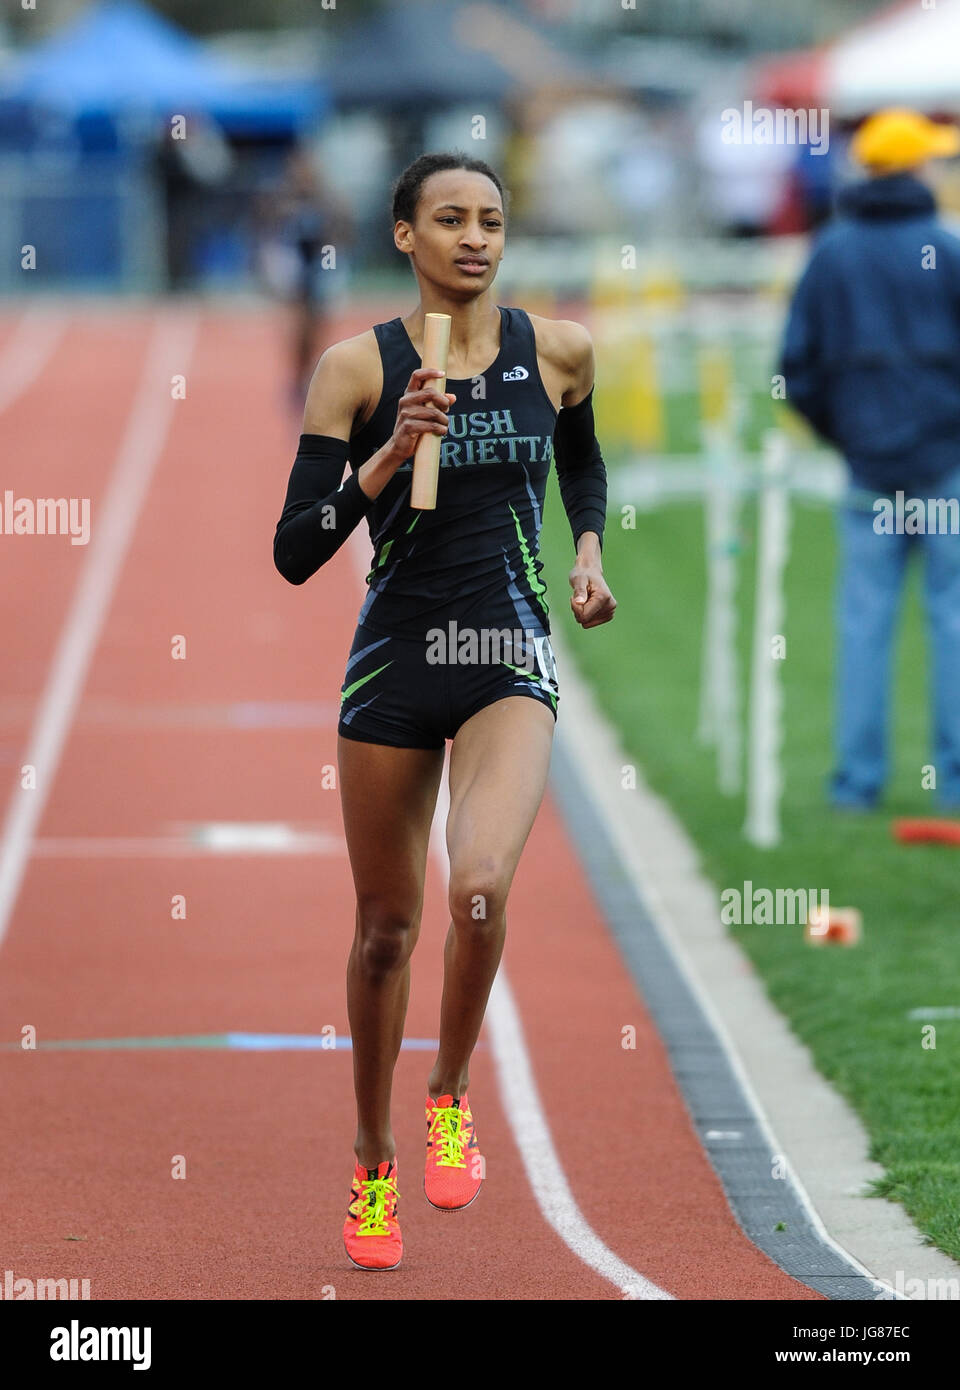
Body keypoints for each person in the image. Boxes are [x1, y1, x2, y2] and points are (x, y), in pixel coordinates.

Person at [272, 152, 616, 1269]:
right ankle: (372, 1164)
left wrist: (590, 555)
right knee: (384, 929)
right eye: (451, 219)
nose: (476, 237)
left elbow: (582, 460)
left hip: (509, 649)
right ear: (404, 236)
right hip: (396, 661)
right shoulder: (353, 368)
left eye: (493, 220)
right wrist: (388, 456)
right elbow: (293, 554)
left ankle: (451, 1090)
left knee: (477, 888)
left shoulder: (557, 351)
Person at [779, 109, 960, 810]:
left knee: (864, 623)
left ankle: (857, 784)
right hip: (945, 463)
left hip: (867, 469)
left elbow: (797, 368)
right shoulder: (945, 249)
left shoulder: (831, 253)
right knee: (950, 619)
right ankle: (953, 781)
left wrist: (845, 434)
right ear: (915, 169)